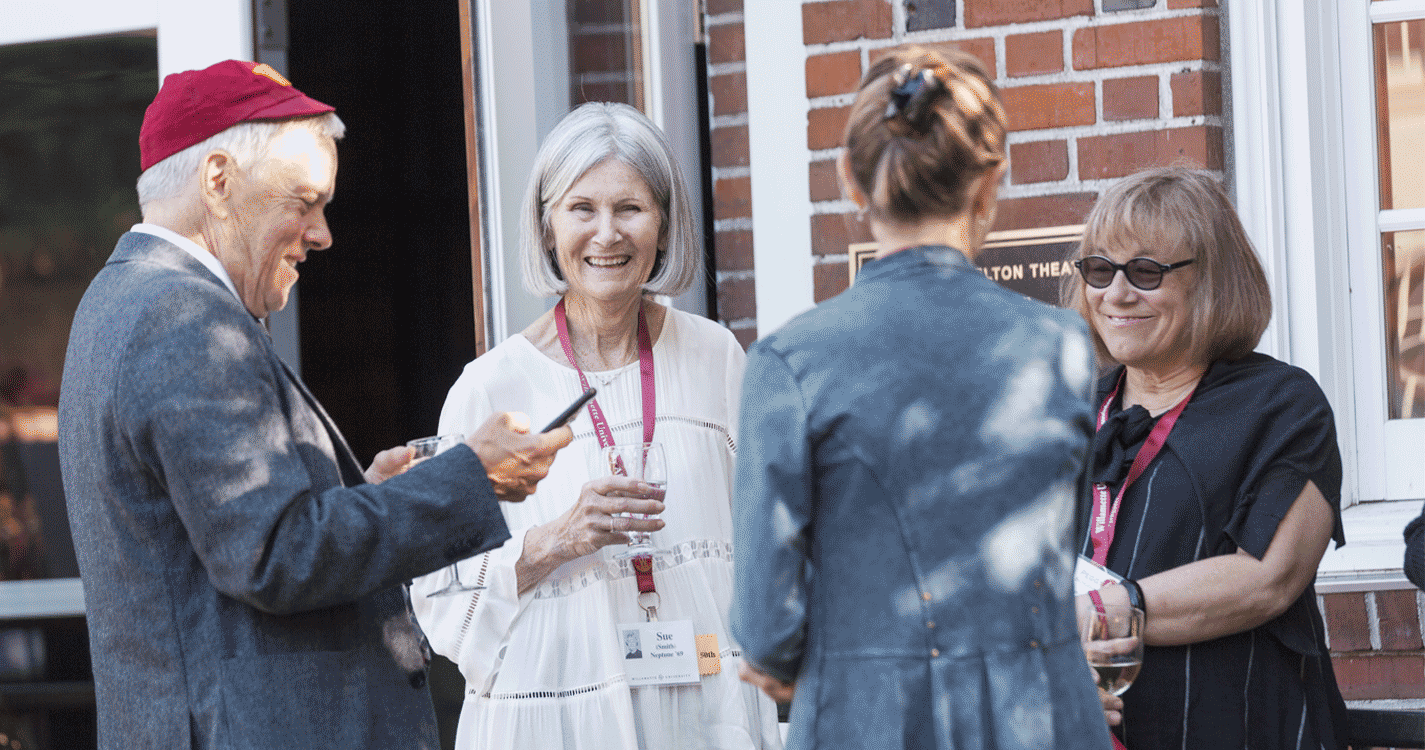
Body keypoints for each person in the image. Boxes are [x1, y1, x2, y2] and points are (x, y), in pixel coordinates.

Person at [57, 60, 571, 749]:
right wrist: (469, 479)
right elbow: (277, 555)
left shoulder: (122, 299)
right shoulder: (181, 316)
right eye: (304, 201)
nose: (322, 232)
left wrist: (372, 496)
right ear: (218, 181)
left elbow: (234, 543)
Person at [730, 46, 1111, 749]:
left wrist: (823, 660)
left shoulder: (789, 362)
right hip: (1038, 715)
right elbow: (1056, 553)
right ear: (990, 182)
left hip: (869, 715)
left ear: (850, 177)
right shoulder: (1059, 345)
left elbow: (764, 624)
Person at [411, 101, 781, 749]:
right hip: (554, 720)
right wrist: (556, 540)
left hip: (700, 714)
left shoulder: (716, 357)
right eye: (582, 209)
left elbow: (766, 542)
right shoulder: (491, 389)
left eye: (629, 208)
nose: (606, 234)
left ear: (663, 227)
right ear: (547, 227)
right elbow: (436, 596)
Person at [1065, 166, 1350, 748]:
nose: (1115, 294)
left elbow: (1268, 577)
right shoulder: (1066, 412)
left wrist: (1107, 610)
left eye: (1145, 272)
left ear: (1212, 281)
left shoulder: (1281, 406)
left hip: (1241, 727)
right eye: (1100, 269)